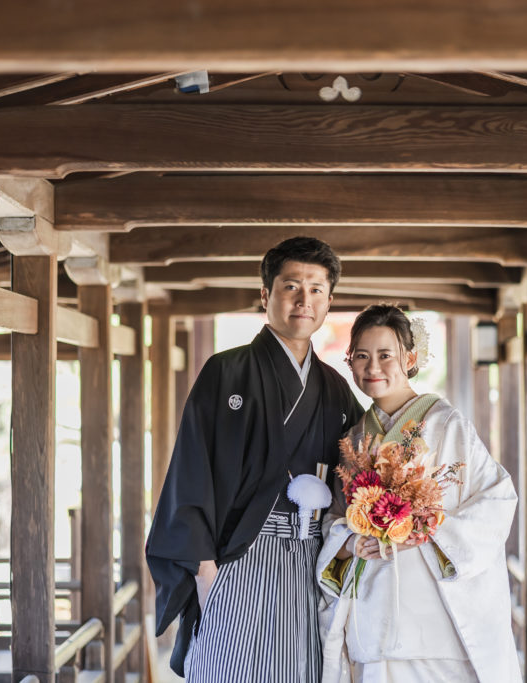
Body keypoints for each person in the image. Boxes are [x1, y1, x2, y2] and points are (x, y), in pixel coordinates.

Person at [146, 236, 364, 682]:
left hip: (308, 554)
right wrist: (206, 574)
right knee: (226, 670)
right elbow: (190, 474)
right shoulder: (225, 372)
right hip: (235, 557)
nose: (304, 300)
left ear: (329, 301)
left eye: (317, 290)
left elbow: (359, 473)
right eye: (291, 287)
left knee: (301, 670)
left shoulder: (335, 388)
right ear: (266, 295)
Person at [317, 304, 520, 682]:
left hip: (434, 615)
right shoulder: (355, 438)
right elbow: (335, 518)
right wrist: (351, 542)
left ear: (409, 358)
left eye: (385, 355)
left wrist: (426, 528)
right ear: (350, 362)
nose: (373, 367)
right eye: (362, 355)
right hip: (374, 613)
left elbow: (497, 500)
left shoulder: (447, 425)